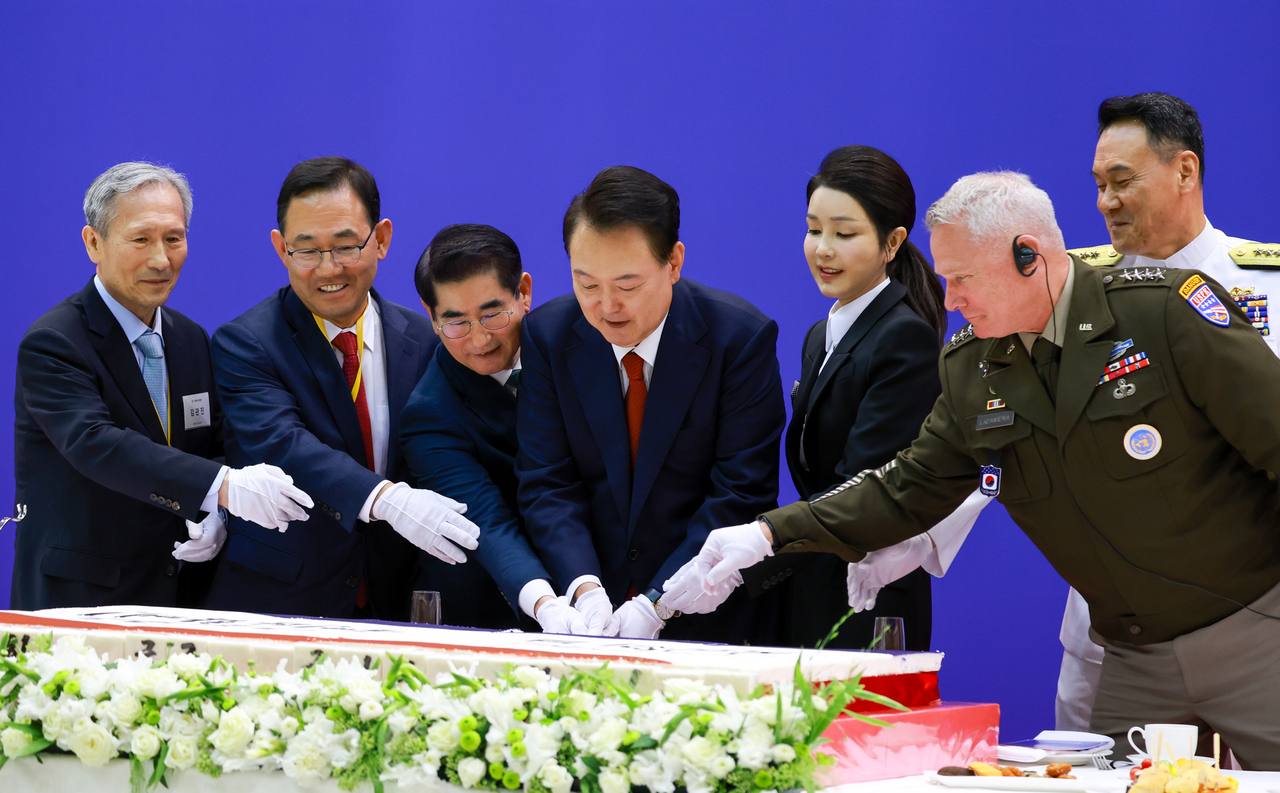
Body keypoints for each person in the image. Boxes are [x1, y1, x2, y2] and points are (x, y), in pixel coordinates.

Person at [666, 171, 1280, 767]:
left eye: (963, 279)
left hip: (1256, 637)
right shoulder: (971, 368)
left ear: (1029, 256)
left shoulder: (1162, 314)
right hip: (1132, 656)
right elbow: (905, 486)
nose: (950, 300)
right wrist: (768, 533)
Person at [840, 93, 1280, 731]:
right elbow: (1003, 432)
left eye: (1122, 181)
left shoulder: (1266, 286)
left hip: (1249, 612)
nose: (1106, 201)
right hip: (1110, 618)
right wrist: (913, 535)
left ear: (1185, 172)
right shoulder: (1057, 287)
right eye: (1098, 184)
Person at [11, 162, 311, 610]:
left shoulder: (189, 338)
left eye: (174, 238)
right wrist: (221, 485)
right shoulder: (54, 341)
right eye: (141, 239)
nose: (161, 259)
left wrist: (216, 512)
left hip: (180, 593)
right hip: (81, 598)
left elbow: (213, 442)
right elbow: (97, 444)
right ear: (94, 243)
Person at [516, 165, 786, 642]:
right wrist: (583, 586)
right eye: (586, 284)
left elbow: (741, 493)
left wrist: (658, 599)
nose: (606, 306)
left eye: (627, 285)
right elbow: (547, 482)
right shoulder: (549, 337)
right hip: (586, 620)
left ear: (674, 262)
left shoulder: (738, 339)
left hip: (708, 613)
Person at [204, 157, 478, 621]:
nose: (328, 268)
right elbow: (282, 446)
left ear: (382, 239)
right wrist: (389, 501)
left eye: (346, 246)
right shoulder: (246, 342)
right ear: (280, 248)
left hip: (396, 603)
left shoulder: (426, 340)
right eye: (306, 250)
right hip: (281, 604)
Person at [744, 145, 947, 651]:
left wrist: (753, 556)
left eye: (845, 233)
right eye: (814, 229)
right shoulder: (821, 334)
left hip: (869, 594)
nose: (823, 248)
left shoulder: (905, 337)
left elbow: (865, 486)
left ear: (892, 242)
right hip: (810, 580)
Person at [402, 224, 586, 633]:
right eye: (456, 322)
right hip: (492, 612)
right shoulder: (429, 413)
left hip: (599, 588)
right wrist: (546, 605)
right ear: (431, 318)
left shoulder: (578, 343)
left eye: (492, 314)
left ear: (524, 292)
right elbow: (486, 521)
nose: (479, 339)